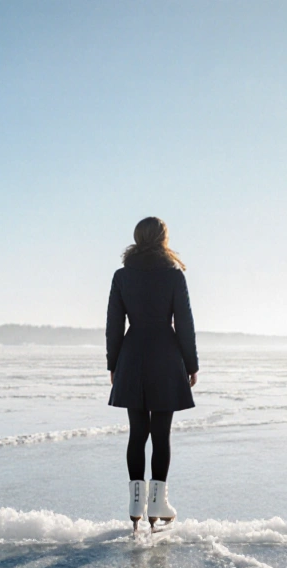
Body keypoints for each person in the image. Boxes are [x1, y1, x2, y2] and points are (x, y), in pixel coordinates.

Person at [107, 216, 199, 531]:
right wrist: (191, 364)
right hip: (166, 356)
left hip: (131, 357)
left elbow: (114, 325)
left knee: (137, 432)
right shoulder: (173, 275)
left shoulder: (122, 276)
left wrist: (113, 364)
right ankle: (157, 503)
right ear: (162, 239)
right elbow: (184, 323)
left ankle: (136, 502)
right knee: (160, 434)